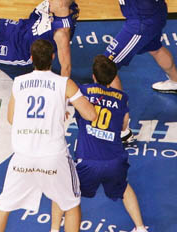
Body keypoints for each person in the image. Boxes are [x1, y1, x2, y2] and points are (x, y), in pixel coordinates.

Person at [0, 39, 97, 232]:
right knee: (71, 205)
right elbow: (90, 115)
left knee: (3, 208)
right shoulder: (64, 83)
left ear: (31, 58)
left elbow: (12, 118)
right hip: (53, 156)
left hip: (22, 157)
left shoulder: (19, 82)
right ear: (53, 57)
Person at [50, 55, 148, 232]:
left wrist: (62, 107)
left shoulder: (84, 91)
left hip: (88, 161)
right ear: (113, 77)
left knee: (63, 189)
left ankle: (55, 229)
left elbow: (63, 93)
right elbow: (124, 126)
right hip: (115, 160)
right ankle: (140, 228)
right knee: (124, 188)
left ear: (93, 76)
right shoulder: (122, 98)